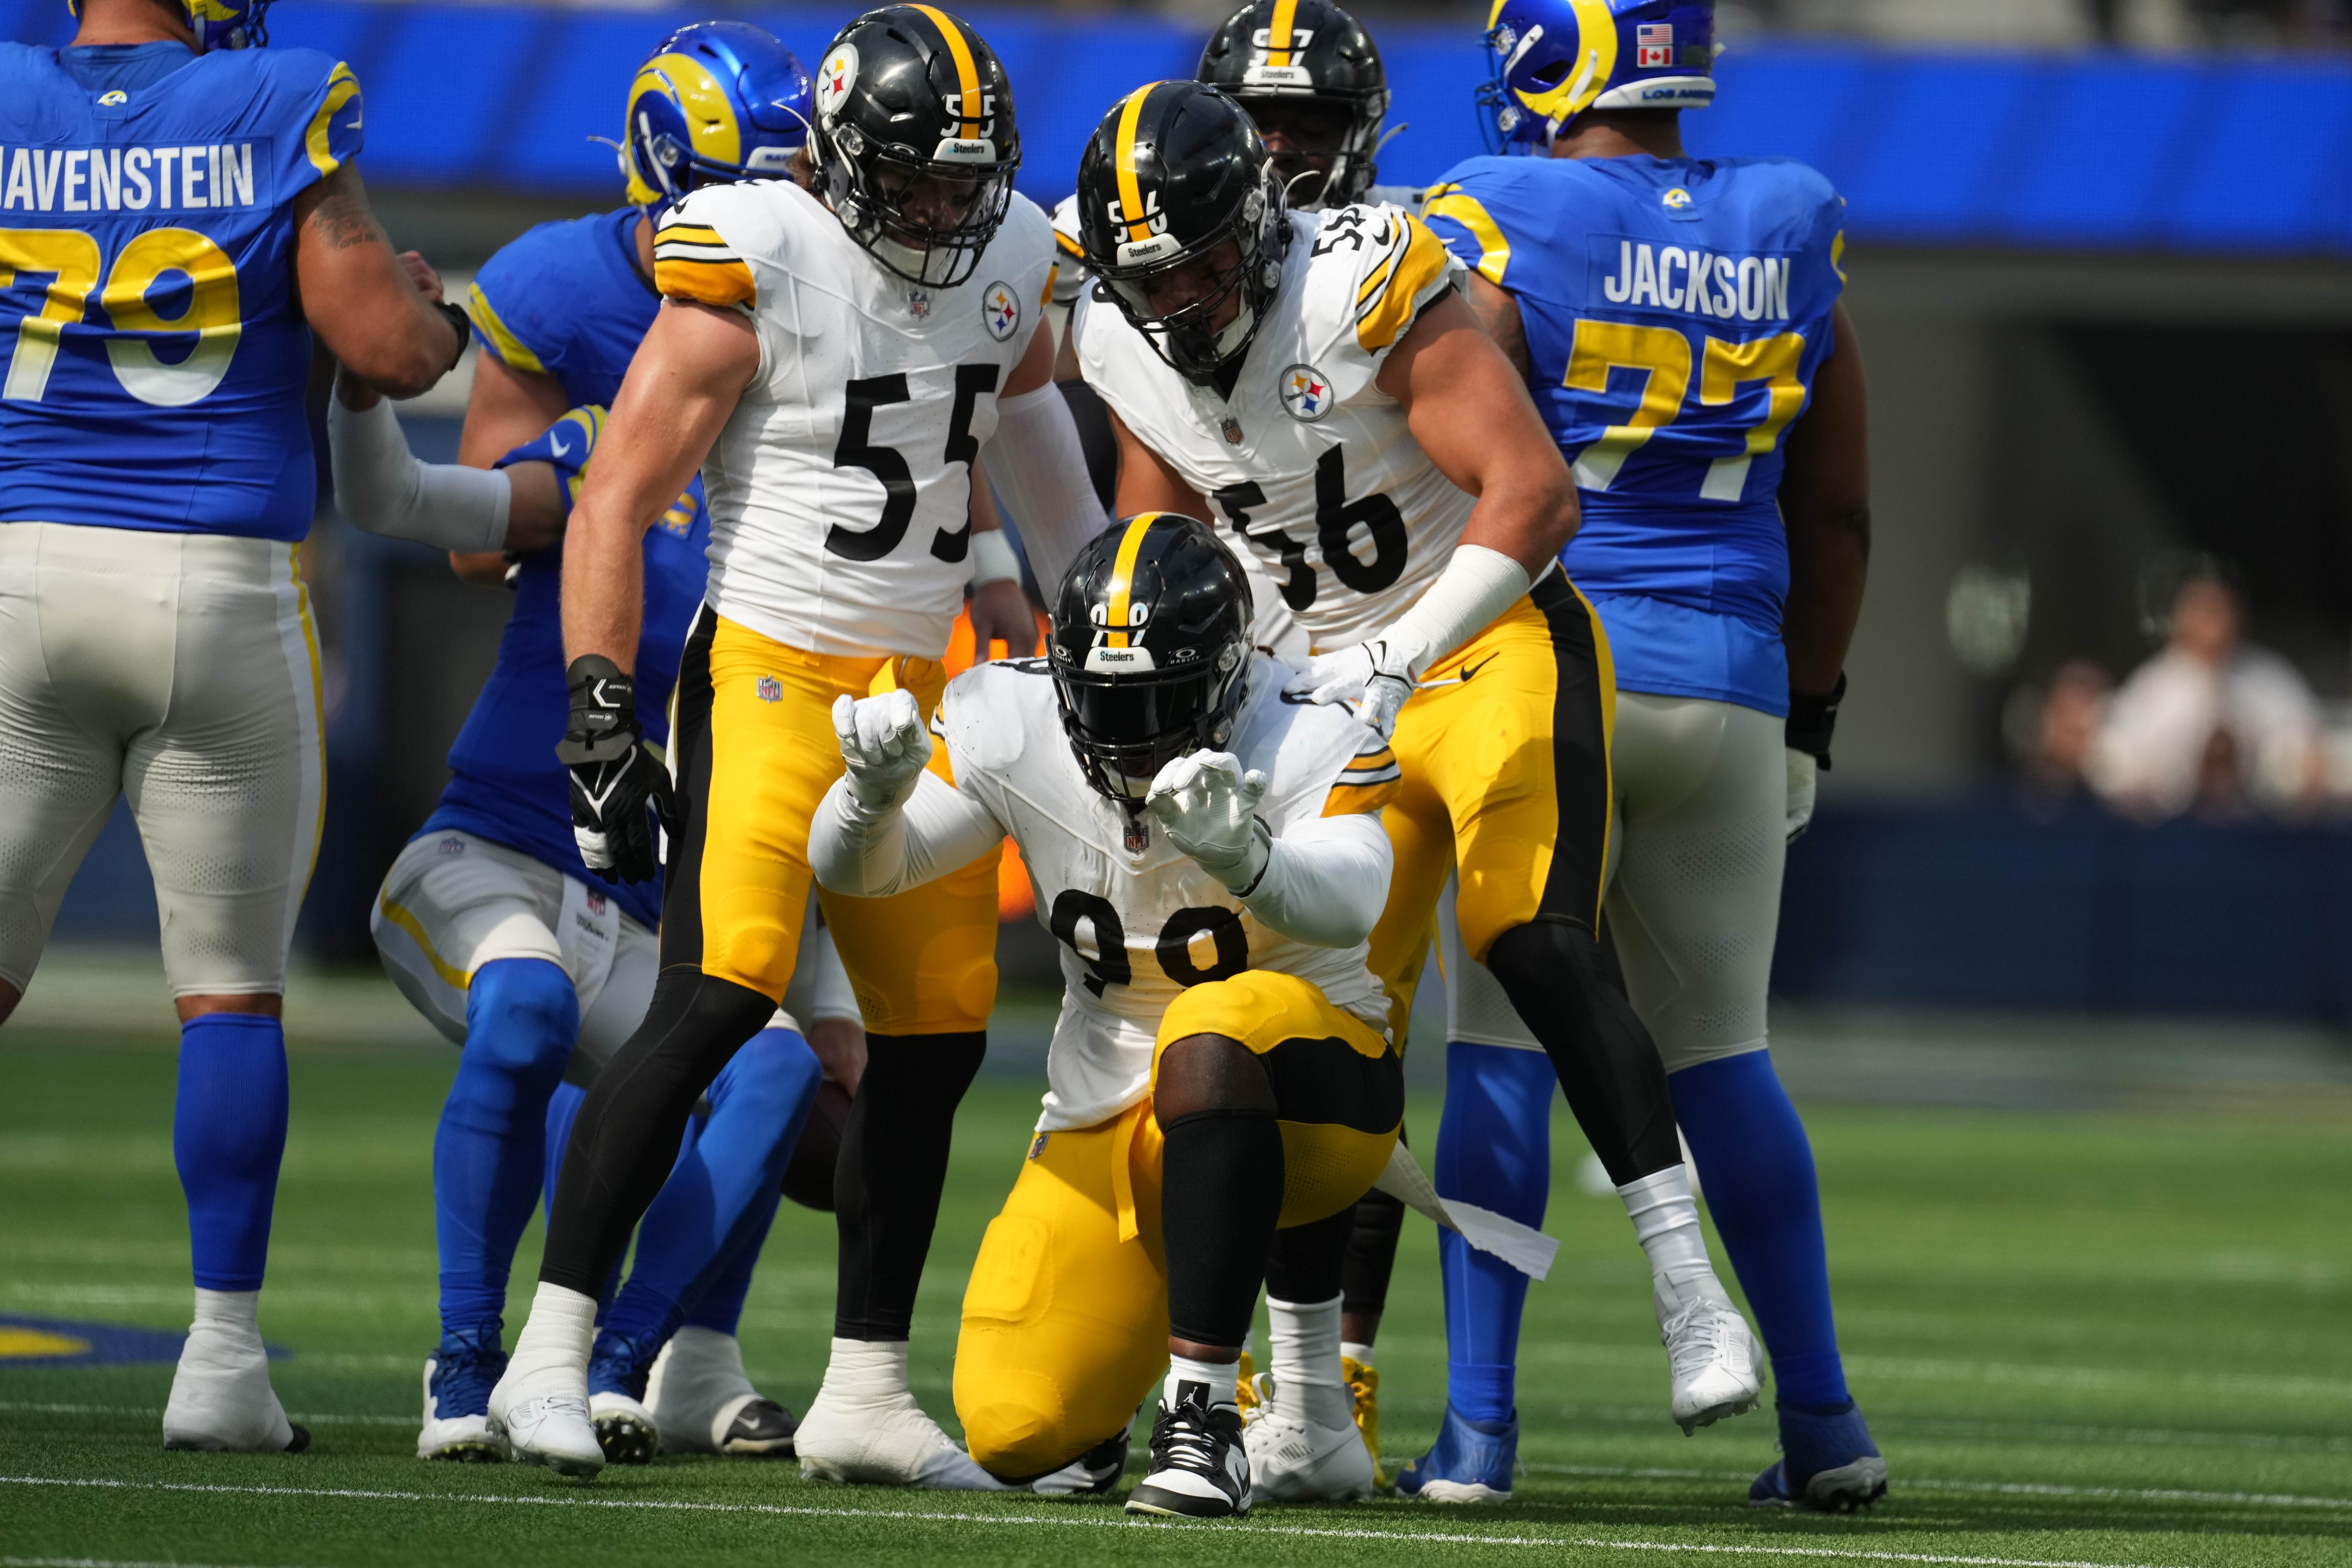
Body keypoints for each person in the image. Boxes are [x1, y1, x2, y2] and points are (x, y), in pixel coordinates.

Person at [1068, 80, 1759, 1499]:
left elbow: (1535, 495)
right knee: (1308, 1019)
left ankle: (1688, 1287)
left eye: (1202, 263)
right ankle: (1312, 1406)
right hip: (1319, 690)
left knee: (1529, 938)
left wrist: (1399, 650)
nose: (1180, 300)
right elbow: (1157, 533)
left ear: (1259, 224)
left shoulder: (1356, 282)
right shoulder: (1116, 336)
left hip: (1485, 635)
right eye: (1153, 278)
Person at [487, 4, 1104, 1485]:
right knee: (717, 995)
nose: (947, 211)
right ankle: (547, 1355)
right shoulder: (758, 244)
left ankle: (866, 1390)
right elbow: (615, 494)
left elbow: (1048, 479)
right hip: (769, 664)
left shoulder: (1013, 256)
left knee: (935, 1036)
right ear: (839, 158)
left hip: (918, 684)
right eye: (919, 178)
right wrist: (596, 698)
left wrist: (1088, 619)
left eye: (968, 181)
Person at [333, 22, 855, 1470]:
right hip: (503, 851)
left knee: (771, 1066)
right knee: (522, 1010)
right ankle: (462, 1366)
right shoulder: (605, 470)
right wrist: (359, 381)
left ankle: (618, 1362)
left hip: (652, 895)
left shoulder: (811, 482)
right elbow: (413, 511)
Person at [1412, 0, 1881, 1511]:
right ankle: (1825, 1425)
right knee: (1726, 1054)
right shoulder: (1786, 220)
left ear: (1553, 59)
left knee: (1499, 1040)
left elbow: (1461, 456)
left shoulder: (1502, 208)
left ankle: (1478, 1433)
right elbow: (1837, 513)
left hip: (1558, 670)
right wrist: (1810, 712)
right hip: (1735, 680)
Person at [0, 0, 467, 1453]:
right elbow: (388, 349)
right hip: (214, 584)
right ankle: (218, 1363)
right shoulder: (276, 96)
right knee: (227, 998)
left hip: (22, 575)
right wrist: (438, 316)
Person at [813, 512, 1404, 1518]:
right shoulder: (1012, 717)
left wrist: (1250, 859)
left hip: (1317, 1094)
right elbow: (868, 871)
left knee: (1212, 1029)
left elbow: (1358, 895)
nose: (1128, 730)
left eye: (1160, 698)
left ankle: (1205, 1419)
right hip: (1111, 1112)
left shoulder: (1306, 717)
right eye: (1103, 699)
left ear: (1231, 677)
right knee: (1015, 1426)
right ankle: (1118, 1398)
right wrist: (867, 799)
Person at [2089, 572, 2323, 821]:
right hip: (2172, 832)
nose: (2212, 622)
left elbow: (2310, 759)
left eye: (2219, 610)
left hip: (2260, 829)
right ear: (2179, 618)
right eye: (2201, 610)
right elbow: (2114, 769)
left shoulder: (2272, 682)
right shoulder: (2150, 689)